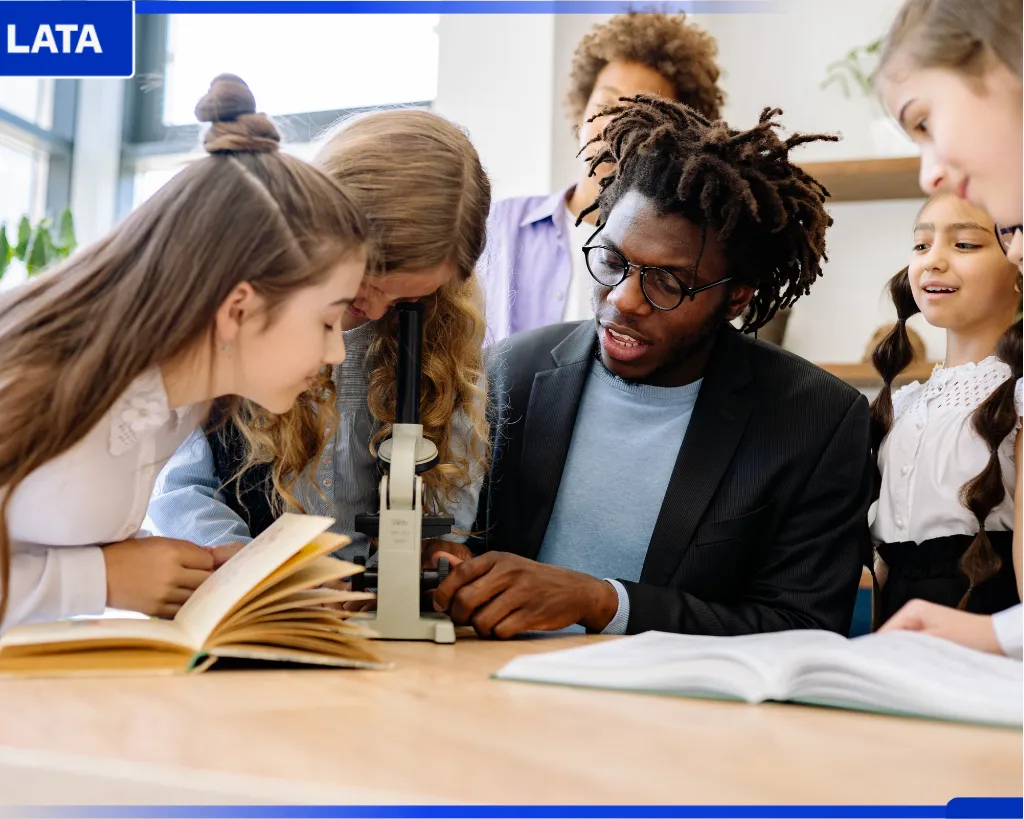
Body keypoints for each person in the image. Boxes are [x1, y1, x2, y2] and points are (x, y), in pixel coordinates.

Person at [428, 96, 871, 639]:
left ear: (736, 298)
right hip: (491, 688)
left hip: (686, 714)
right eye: (613, 261)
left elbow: (802, 624)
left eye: (669, 282)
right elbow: (460, 549)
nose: (625, 299)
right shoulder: (511, 372)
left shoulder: (815, 419)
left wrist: (602, 602)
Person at [0, 74, 368, 628]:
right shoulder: (32, 373)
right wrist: (102, 579)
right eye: (327, 320)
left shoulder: (184, 402)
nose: (338, 352)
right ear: (238, 308)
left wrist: (221, 575)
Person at [147, 110, 491, 561]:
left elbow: (449, 503)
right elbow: (180, 491)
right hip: (251, 594)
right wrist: (259, 573)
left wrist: (429, 554)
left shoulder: (444, 349)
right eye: (366, 282)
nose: (374, 309)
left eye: (404, 299)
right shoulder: (231, 324)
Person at [874, 0, 1023, 657]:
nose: (930, 170)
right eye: (921, 242)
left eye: (927, 121)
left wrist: (993, 632)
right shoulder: (900, 403)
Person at [480, 12, 724, 341]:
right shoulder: (498, 224)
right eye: (605, 102)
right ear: (582, 109)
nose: (612, 123)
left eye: (639, 113)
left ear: (676, 136)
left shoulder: (678, 256)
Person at [869, 193, 1021, 625]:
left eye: (965, 244)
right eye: (921, 245)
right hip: (899, 637)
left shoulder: (1019, 398)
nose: (932, 261)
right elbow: (888, 559)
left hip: (986, 631)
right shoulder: (902, 404)